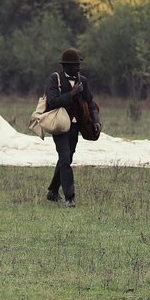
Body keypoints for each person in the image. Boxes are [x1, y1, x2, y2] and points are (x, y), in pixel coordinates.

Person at [44, 48, 101, 208]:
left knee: (67, 158)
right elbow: (52, 102)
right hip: (60, 125)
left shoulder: (83, 80)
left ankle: (53, 191)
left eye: (79, 65)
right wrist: (72, 93)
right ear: (66, 66)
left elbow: (90, 102)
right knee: (64, 157)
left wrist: (95, 120)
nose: (78, 68)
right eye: (75, 65)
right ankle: (70, 197)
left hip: (75, 126)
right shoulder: (54, 79)